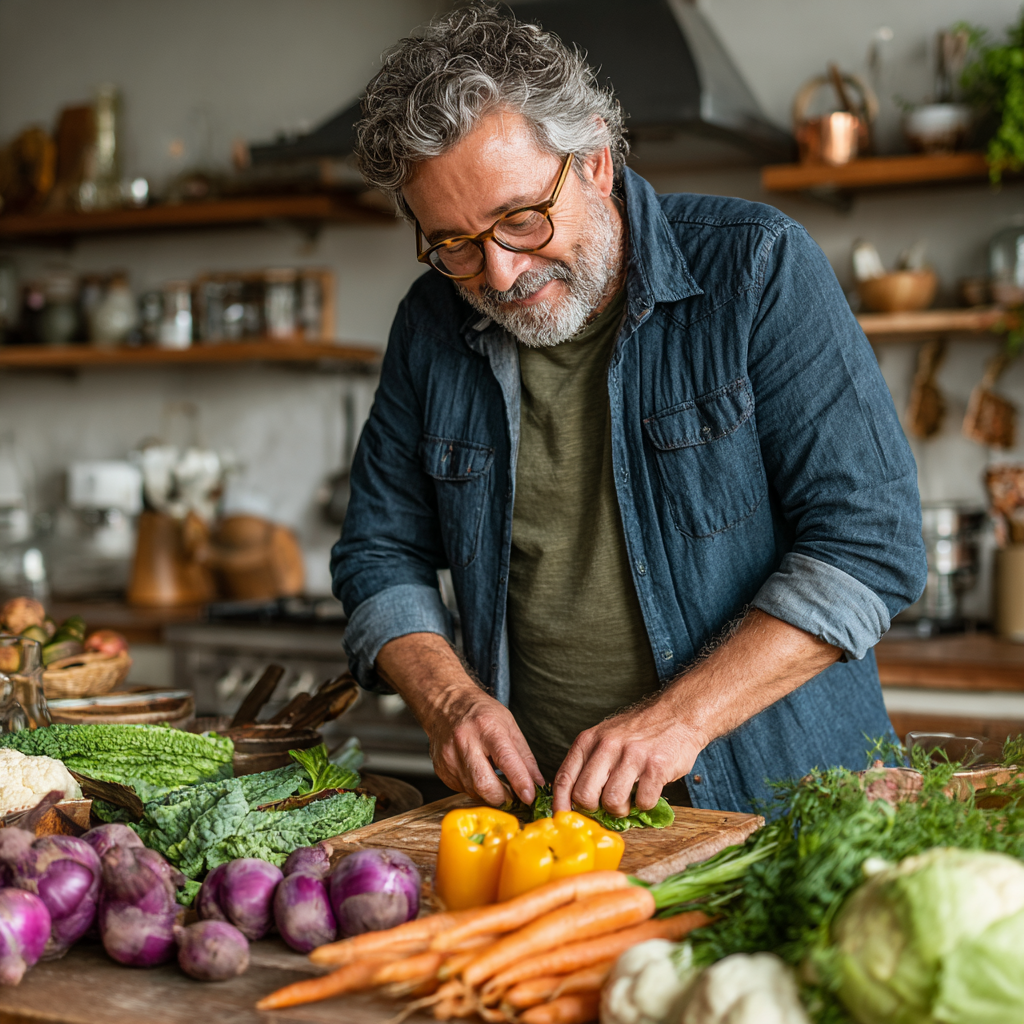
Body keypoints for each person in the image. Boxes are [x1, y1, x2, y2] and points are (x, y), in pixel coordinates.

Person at [331, 4, 926, 817]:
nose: (499, 275)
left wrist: (677, 721)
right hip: (547, 824)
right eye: (456, 246)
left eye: (520, 219)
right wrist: (448, 701)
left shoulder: (756, 267)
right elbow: (379, 551)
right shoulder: (431, 323)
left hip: (783, 813)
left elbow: (870, 545)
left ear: (598, 163)